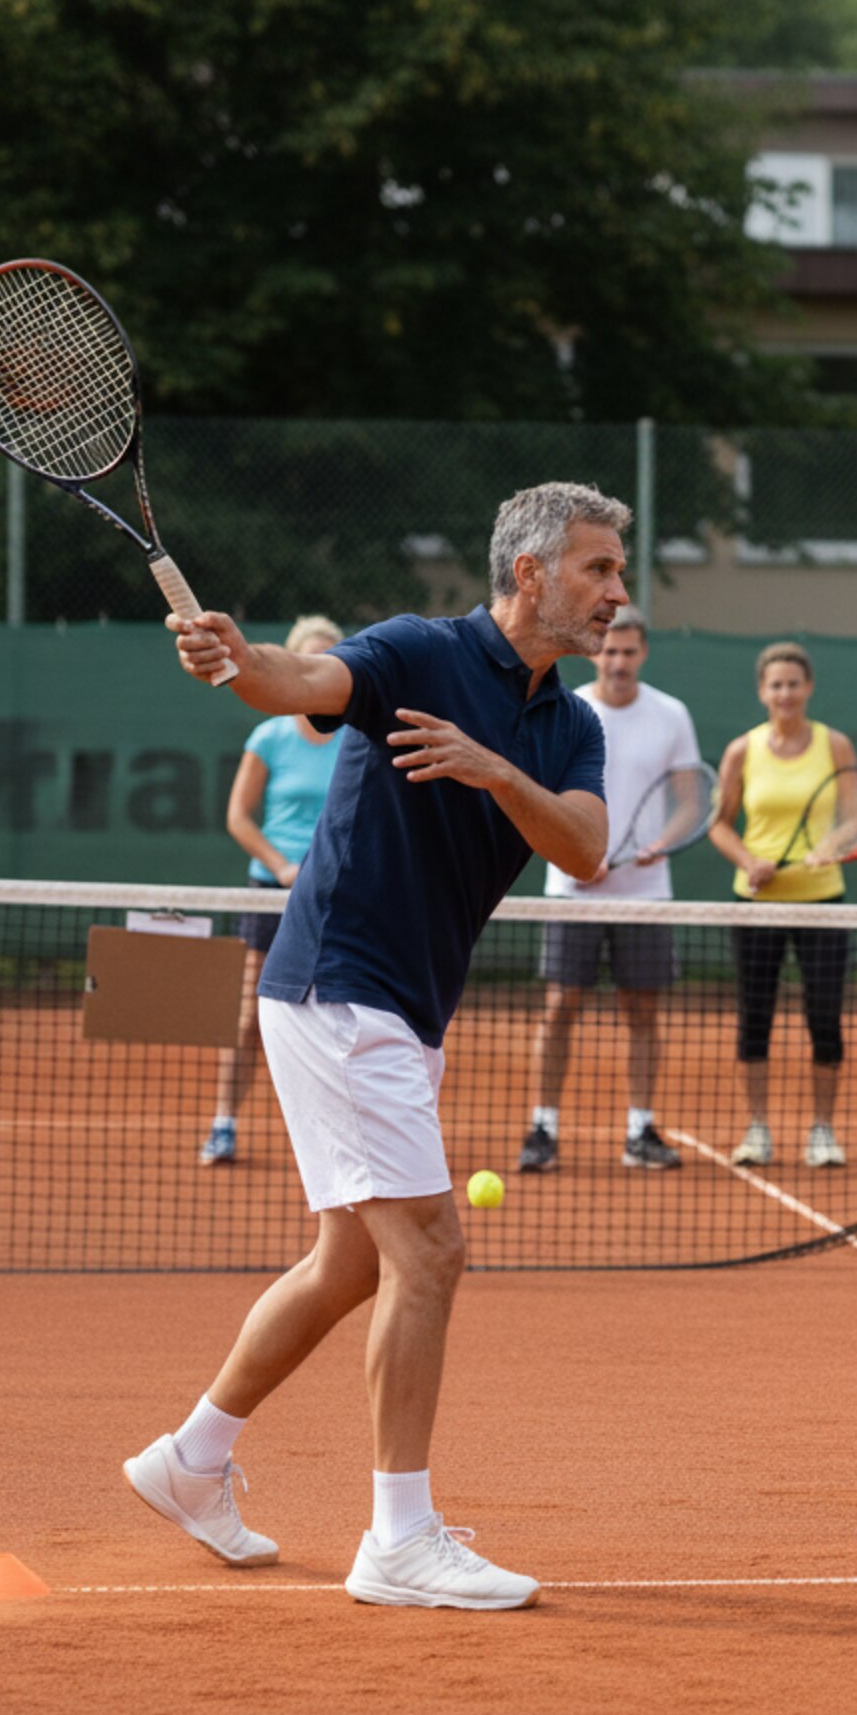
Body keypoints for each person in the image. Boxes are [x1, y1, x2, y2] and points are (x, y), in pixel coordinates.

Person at [126, 482, 626, 1612]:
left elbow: (588, 848)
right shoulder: (414, 651)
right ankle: (399, 1536)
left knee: (351, 1260)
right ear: (532, 572)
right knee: (432, 1249)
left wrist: (495, 769)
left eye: (616, 570)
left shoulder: (571, 721)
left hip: (400, 1003)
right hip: (338, 984)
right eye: (597, 568)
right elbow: (296, 681)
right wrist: (235, 657)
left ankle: (190, 1460)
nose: (616, 592)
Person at [520, 607, 700, 1175]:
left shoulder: (672, 714)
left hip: (645, 891)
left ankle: (638, 1129)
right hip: (572, 889)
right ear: (593, 651)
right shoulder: (566, 709)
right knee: (559, 1007)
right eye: (608, 651)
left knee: (642, 1010)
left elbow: (692, 801)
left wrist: (661, 843)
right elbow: (537, 796)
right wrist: (569, 850)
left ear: (642, 653)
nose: (617, 662)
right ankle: (543, 1127)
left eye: (628, 652)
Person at [708, 641, 857, 1169]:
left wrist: (831, 846)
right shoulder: (741, 751)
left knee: (825, 1017)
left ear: (808, 687)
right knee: (755, 1019)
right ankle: (758, 1131)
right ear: (762, 691)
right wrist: (749, 861)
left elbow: (853, 818)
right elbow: (720, 824)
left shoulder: (835, 745)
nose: (786, 693)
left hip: (822, 902)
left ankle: (822, 1132)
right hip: (756, 905)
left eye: (794, 683)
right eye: (776, 684)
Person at [199, 615, 345, 1168]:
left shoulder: (358, 734)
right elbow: (238, 817)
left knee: (339, 1017)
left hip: (337, 896)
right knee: (249, 1017)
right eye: (310, 658)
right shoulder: (271, 735)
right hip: (272, 892)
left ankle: (335, 1138)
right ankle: (224, 1123)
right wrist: (284, 868)